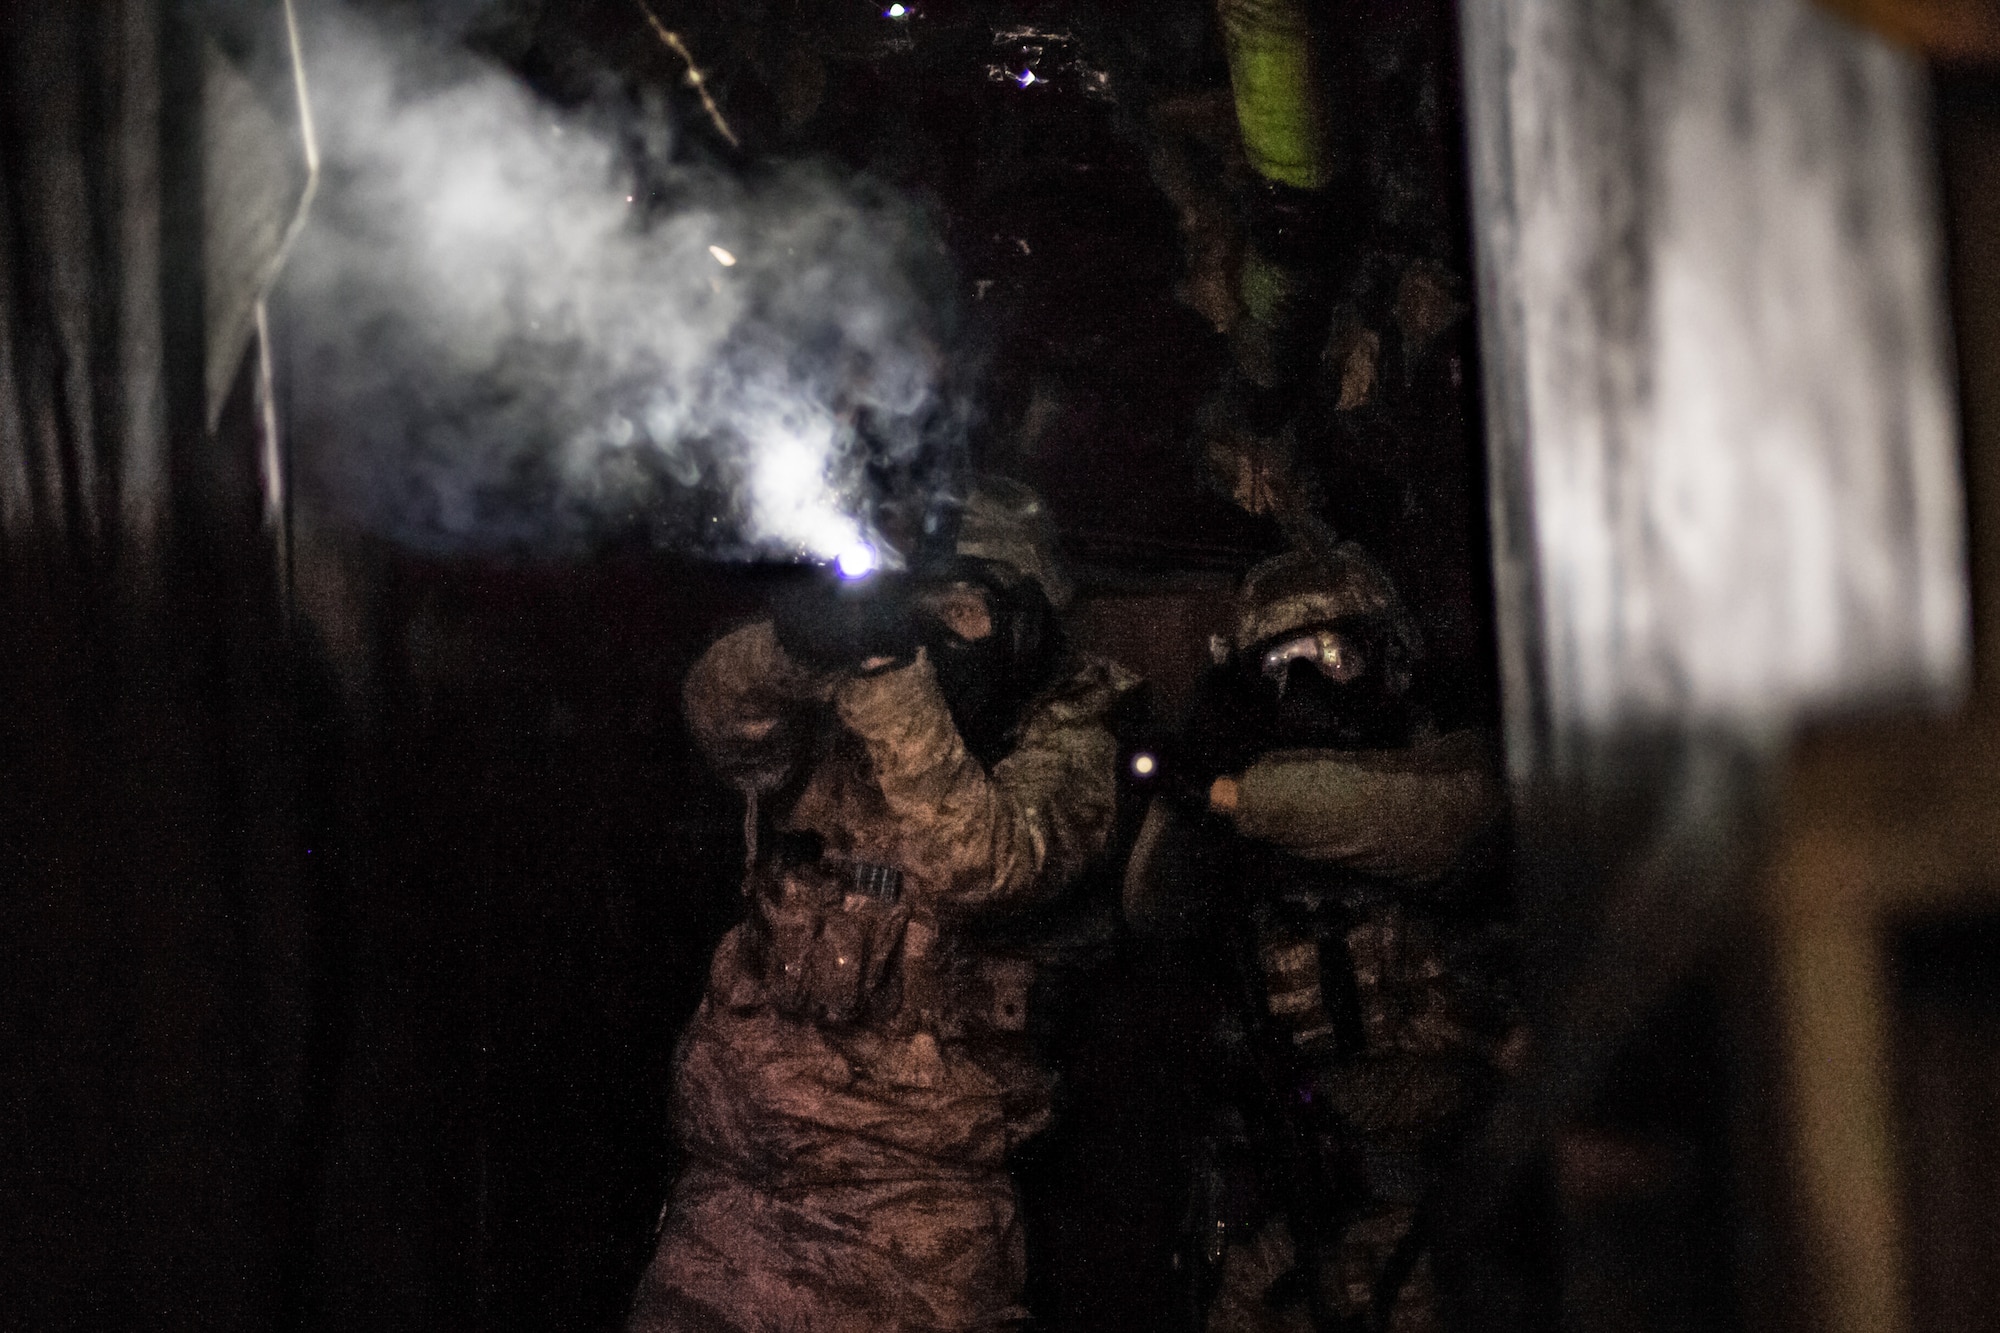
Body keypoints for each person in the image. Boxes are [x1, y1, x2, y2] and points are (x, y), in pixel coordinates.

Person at [627, 476, 1137, 1333]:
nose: (939, 629)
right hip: (736, 1191)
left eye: (966, 607)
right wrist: (801, 643)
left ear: (1027, 626)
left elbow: (982, 861)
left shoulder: (1067, 746)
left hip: (911, 1220)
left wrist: (892, 679)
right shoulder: (846, 717)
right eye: (922, 604)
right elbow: (717, 715)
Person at [1126, 543, 1513, 1333]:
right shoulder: (1231, 801)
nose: (1302, 683)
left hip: (1420, 1211)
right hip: (1272, 1210)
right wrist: (1192, 777)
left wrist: (1225, 791)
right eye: (1279, 664)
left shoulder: (1447, 766)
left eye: (1330, 655)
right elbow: (1149, 902)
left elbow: (1419, 822)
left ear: (1388, 658)